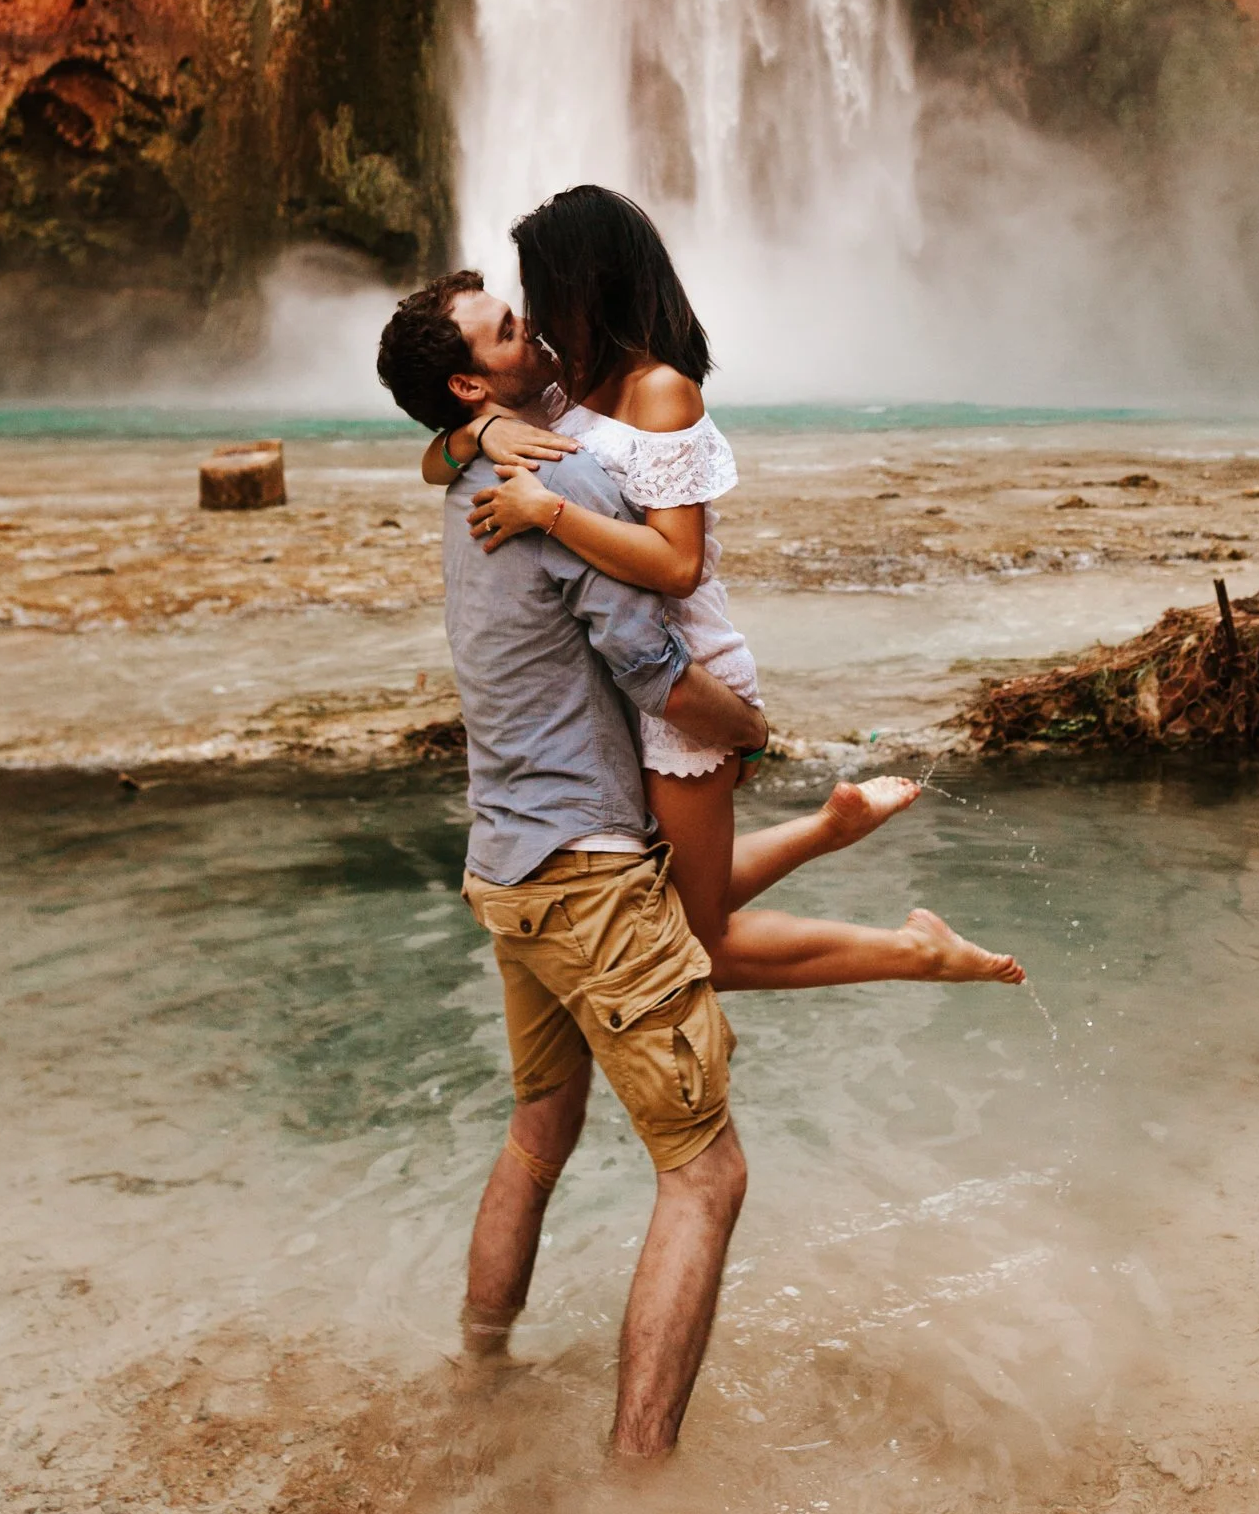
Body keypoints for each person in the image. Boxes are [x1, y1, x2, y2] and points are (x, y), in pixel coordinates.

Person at [415, 199, 1027, 991]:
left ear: (585, 284)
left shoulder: (662, 391)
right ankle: (831, 829)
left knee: (691, 947)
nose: (529, 318)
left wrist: (549, 510)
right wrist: (478, 434)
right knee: (671, 910)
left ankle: (920, 951)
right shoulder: (569, 387)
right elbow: (435, 457)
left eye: (537, 291)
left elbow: (678, 567)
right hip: (626, 682)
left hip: (686, 677)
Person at [376, 276, 764, 1461]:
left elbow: (448, 458)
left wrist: (472, 438)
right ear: (463, 381)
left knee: (539, 1126)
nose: (532, 333)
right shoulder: (564, 483)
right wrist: (748, 729)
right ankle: (638, 1485)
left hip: (503, 859)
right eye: (504, 331)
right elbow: (654, 666)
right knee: (706, 1176)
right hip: (586, 869)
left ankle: (477, 1368)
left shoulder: (467, 478)